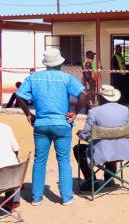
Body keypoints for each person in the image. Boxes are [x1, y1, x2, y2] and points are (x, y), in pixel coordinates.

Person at [16, 48, 88, 206]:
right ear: (60, 63)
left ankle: (36, 198)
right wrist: (75, 113)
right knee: (63, 161)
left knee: (39, 161)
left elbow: (20, 96)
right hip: (62, 124)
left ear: (46, 64)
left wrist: (28, 114)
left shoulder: (33, 78)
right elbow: (84, 95)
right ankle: (67, 198)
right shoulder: (66, 78)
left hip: (41, 124)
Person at [73, 85, 129, 191]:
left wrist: (80, 134)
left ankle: (91, 181)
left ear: (101, 98)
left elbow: (86, 135)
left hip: (102, 152)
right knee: (112, 141)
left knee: (78, 148)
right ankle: (109, 179)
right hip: (124, 151)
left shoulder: (94, 112)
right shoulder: (125, 110)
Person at [0, 121, 21, 216]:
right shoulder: (6, 127)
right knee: (14, 162)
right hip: (10, 180)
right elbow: (16, 149)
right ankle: (12, 202)